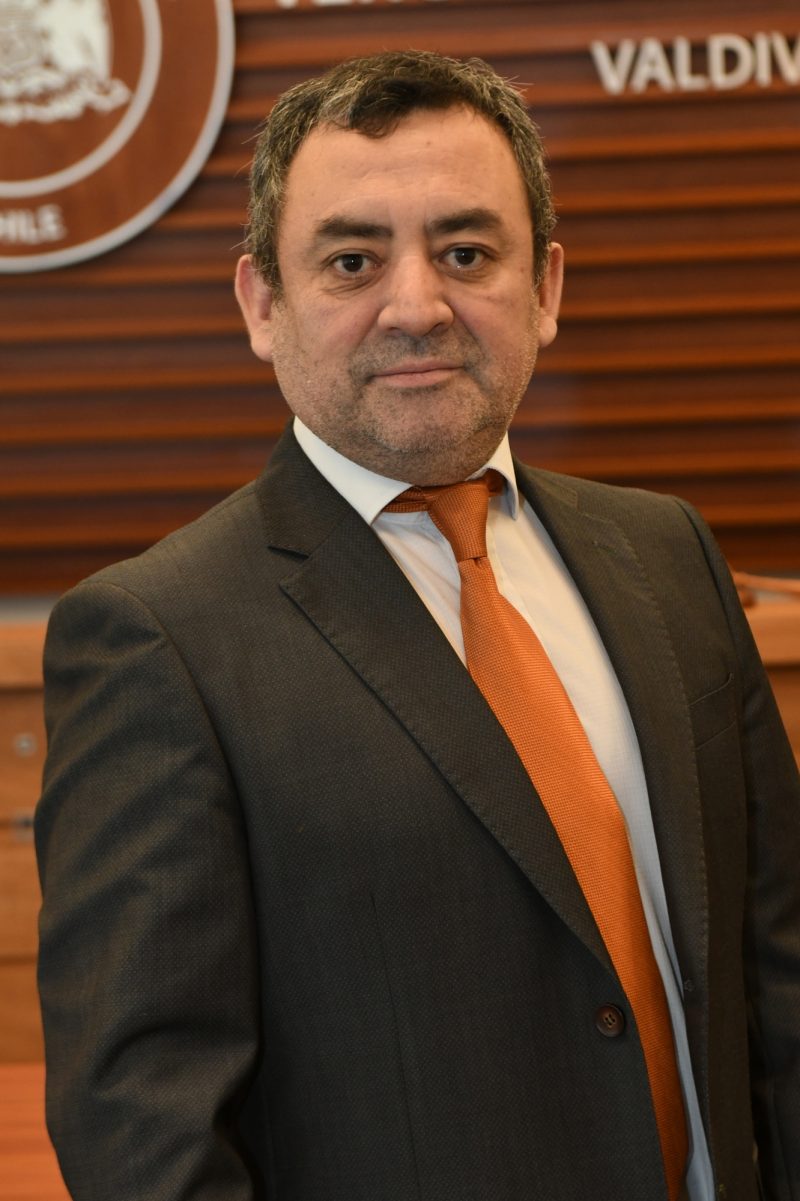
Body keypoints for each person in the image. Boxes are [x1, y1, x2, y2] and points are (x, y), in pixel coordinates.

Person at [35, 49, 799, 1201]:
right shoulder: (157, 640)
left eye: (465, 252)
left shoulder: (667, 556)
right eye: (351, 260)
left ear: (543, 287)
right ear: (261, 304)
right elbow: (144, 1130)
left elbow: (774, 975)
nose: (416, 306)